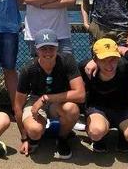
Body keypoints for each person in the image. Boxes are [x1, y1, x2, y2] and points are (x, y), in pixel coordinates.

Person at [14, 29, 85, 160]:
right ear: (36, 49)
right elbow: (18, 105)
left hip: (57, 101)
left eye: (51, 48)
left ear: (57, 48)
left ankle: (62, 138)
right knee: (35, 131)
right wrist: (24, 137)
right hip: (35, 100)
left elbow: (80, 94)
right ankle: (36, 135)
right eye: (43, 48)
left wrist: (46, 98)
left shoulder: (67, 61)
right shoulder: (27, 69)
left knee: (72, 110)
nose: (47, 52)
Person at [79, 38, 128, 153]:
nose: (109, 65)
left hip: (124, 110)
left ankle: (123, 136)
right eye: (103, 60)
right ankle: (99, 139)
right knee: (96, 132)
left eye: (113, 59)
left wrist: (121, 48)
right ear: (95, 60)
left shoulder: (126, 66)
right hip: (97, 109)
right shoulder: (85, 68)